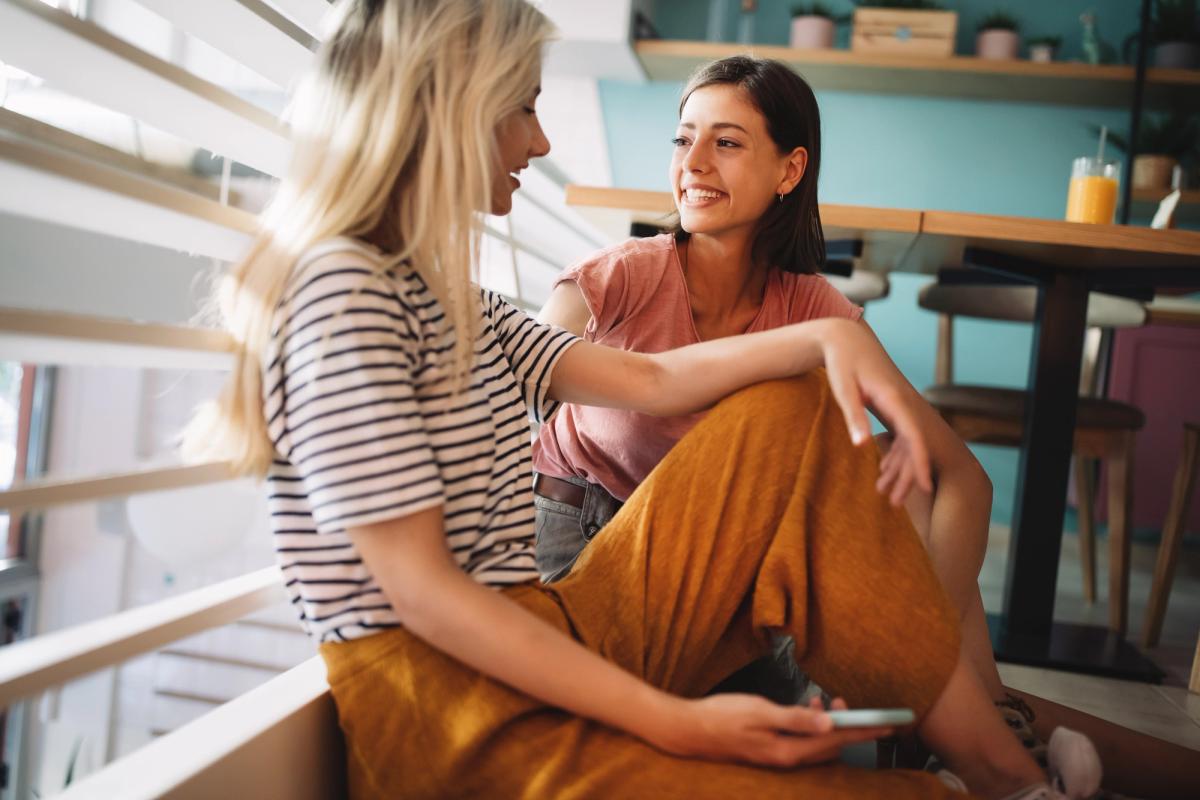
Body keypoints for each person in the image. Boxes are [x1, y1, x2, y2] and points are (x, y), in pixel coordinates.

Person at [187, 2, 1093, 798]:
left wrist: (832, 336)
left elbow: (654, 380)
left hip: (546, 625)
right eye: (526, 107)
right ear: (452, 109)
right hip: (448, 713)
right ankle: (990, 774)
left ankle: (1003, 774)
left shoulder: (446, 297)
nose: (540, 142)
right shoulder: (343, 290)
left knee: (794, 410)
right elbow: (422, 595)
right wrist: (674, 722)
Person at [532, 55, 1198, 799]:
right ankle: (984, 736)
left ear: (790, 170)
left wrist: (913, 647)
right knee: (939, 683)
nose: (692, 164)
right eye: (683, 139)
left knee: (893, 468)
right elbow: (517, 385)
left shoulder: (813, 307)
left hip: (728, 587)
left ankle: (961, 730)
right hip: (590, 557)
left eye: (726, 142)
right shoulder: (620, 276)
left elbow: (959, 476)